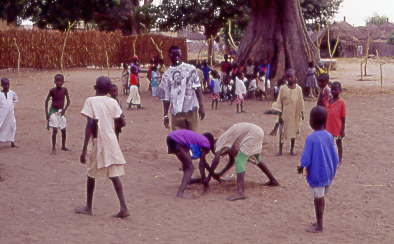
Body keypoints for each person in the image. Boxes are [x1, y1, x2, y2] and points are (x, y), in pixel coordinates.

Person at [76, 76, 129, 218]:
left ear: (95, 88)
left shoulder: (90, 101)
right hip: (111, 140)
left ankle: (88, 207)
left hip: (99, 141)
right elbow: (121, 122)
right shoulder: (112, 102)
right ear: (108, 89)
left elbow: (90, 124)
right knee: (114, 174)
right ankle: (123, 207)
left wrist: (84, 148)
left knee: (90, 174)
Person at [206, 123, 279, 201]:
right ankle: (273, 180)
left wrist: (209, 177)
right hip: (256, 131)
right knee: (256, 160)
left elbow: (216, 159)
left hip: (252, 133)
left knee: (240, 160)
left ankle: (240, 192)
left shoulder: (219, 143)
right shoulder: (228, 142)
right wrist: (220, 173)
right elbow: (231, 161)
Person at [298, 106, 339, 233]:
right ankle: (318, 222)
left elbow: (306, 157)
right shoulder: (329, 136)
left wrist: (301, 167)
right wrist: (332, 169)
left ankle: (319, 225)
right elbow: (336, 157)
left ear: (311, 122)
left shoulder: (311, 138)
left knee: (318, 199)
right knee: (320, 197)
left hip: (317, 175)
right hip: (328, 174)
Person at [159, 45, 205, 131]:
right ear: (169, 55)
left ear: (181, 55)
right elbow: (166, 98)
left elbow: (197, 88)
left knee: (192, 139)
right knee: (179, 140)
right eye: (174, 55)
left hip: (191, 110)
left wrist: (201, 106)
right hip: (176, 113)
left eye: (178, 55)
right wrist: (165, 115)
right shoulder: (166, 75)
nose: (176, 57)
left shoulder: (191, 69)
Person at [166, 129, 215, 198]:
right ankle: (180, 193)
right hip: (176, 140)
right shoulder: (206, 143)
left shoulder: (198, 139)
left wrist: (212, 174)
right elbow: (202, 164)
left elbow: (204, 162)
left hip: (171, 137)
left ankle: (188, 181)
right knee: (190, 168)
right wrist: (205, 181)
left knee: (186, 163)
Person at [273, 69, 304, 156]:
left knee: (293, 132)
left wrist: (302, 112)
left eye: (292, 77)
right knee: (282, 132)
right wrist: (279, 115)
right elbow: (279, 102)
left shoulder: (299, 89)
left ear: (295, 78)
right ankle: (280, 150)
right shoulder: (283, 88)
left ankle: (292, 149)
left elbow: (301, 101)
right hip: (284, 114)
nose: (290, 79)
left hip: (295, 114)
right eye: (288, 77)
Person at [44, 74, 71, 153]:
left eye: (60, 81)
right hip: (53, 111)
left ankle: (63, 146)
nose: (59, 82)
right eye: (57, 81)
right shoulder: (52, 90)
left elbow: (68, 101)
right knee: (55, 130)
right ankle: (53, 147)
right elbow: (46, 102)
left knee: (63, 130)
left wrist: (64, 110)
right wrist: (47, 114)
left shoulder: (64, 90)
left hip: (60, 112)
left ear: (63, 82)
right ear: (54, 81)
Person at [326, 82, 346, 162]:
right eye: (332, 90)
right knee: (329, 143)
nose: (333, 91)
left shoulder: (341, 102)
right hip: (328, 126)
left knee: (338, 142)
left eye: (335, 90)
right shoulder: (329, 100)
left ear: (340, 90)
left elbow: (343, 117)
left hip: (337, 126)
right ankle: (330, 157)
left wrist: (342, 130)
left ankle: (340, 158)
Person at [0, 78, 18, 148]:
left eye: (8, 84)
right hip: (2, 115)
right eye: (5, 84)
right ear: (1, 85)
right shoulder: (0, 94)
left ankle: (12, 142)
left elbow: (15, 99)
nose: (7, 86)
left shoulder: (12, 93)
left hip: (10, 114)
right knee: (1, 126)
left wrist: (12, 106)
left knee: (12, 126)